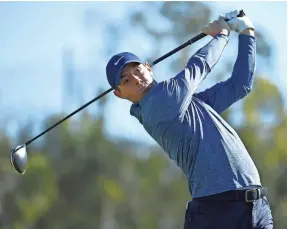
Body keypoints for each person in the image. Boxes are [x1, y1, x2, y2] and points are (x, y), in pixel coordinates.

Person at [105, 10, 273, 229]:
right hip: (217, 212)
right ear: (119, 93)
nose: (136, 79)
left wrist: (246, 31)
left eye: (137, 70)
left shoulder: (188, 106)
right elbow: (198, 67)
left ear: (148, 67)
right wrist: (222, 35)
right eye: (126, 80)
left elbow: (239, 85)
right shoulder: (158, 105)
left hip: (255, 207)